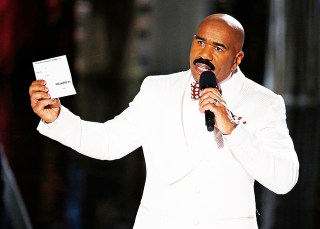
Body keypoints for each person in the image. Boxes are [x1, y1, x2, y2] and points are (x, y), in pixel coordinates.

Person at [29, 14, 299, 229]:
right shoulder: (156, 89)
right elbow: (109, 143)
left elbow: (284, 179)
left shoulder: (264, 102)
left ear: (237, 58)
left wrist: (231, 128)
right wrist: (58, 118)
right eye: (200, 42)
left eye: (218, 47)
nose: (205, 53)